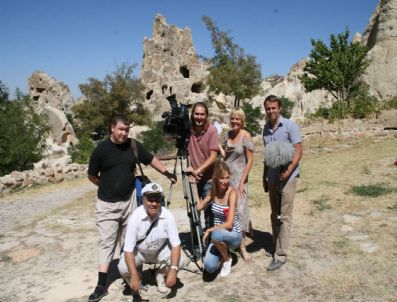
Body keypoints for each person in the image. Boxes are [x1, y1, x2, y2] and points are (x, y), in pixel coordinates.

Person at [87, 114, 176, 302]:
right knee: (106, 242)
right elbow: (92, 175)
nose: (124, 133)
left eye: (126, 130)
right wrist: (105, 186)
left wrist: (167, 173)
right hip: (107, 204)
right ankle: (101, 285)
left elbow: (151, 159)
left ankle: (132, 282)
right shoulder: (101, 150)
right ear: (112, 128)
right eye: (120, 129)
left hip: (129, 202)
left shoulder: (133, 145)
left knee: (129, 243)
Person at [118, 182, 185, 298]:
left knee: (180, 262)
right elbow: (128, 250)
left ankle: (160, 275)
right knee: (122, 267)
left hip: (160, 251)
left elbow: (176, 245)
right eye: (150, 199)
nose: (154, 203)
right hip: (140, 252)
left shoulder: (168, 216)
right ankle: (138, 278)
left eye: (157, 199)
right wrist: (133, 274)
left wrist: (173, 270)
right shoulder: (135, 217)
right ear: (143, 199)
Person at [262, 95, 303, 271]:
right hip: (272, 177)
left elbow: (298, 152)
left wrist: (286, 174)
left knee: (285, 215)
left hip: (289, 177)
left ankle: (281, 255)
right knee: (274, 214)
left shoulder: (290, 126)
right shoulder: (265, 129)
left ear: (279, 108)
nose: (271, 111)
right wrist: (264, 177)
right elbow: (267, 156)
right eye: (268, 108)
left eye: (274, 108)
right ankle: (276, 245)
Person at [196, 160, 243, 277]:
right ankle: (223, 252)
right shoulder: (212, 192)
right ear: (215, 178)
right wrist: (193, 187)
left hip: (234, 235)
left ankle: (227, 259)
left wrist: (209, 230)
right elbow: (199, 207)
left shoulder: (232, 193)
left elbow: (229, 224)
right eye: (222, 178)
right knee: (209, 267)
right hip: (218, 237)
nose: (225, 181)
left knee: (215, 234)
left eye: (227, 178)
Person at [220, 107, 254, 262]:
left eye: (237, 118)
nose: (234, 121)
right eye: (232, 118)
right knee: (228, 211)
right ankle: (229, 243)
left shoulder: (246, 135)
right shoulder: (227, 135)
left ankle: (243, 247)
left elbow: (250, 160)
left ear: (242, 120)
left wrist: (242, 182)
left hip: (240, 179)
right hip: (227, 179)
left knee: (241, 212)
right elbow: (227, 156)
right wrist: (219, 148)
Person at [187, 102, 220, 227]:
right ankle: (196, 242)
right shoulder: (187, 131)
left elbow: (213, 156)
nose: (199, 117)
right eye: (196, 114)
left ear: (206, 115)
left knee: (209, 213)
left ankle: (209, 243)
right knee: (193, 212)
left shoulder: (212, 130)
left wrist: (198, 170)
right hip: (192, 179)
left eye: (202, 114)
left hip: (209, 179)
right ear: (192, 115)